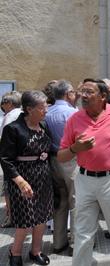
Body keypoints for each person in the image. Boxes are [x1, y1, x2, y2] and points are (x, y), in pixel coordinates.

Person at [57, 78, 110, 266]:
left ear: (103, 96)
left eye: (89, 92)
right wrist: (76, 148)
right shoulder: (74, 119)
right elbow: (61, 156)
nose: (83, 95)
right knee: (82, 231)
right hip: (84, 180)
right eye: (82, 91)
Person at [1, 91, 53, 266]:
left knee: (42, 217)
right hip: (22, 179)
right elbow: (5, 160)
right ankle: (14, 252)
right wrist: (20, 181)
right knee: (24, 219)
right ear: (29, 109)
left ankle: (35, 251)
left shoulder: (43, 125)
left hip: (43, 177)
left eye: (46, 105)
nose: (46, 110)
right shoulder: (13, 129)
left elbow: (50, 150)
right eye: (42, 107)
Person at [45, 80, 78, 255]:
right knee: (76, 201)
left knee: (60, 201)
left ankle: (58, 242)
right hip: (70, 159)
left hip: (52, 159)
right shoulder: (73, 113)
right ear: (67, 94)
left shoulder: (47, 112)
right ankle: (75, 243)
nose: (75, 95)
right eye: (73, 92)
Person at [0, 91, 22, 229]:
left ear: (9, 103)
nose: (2, 106)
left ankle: (11, 217)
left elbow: (3, 139)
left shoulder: (10, 116)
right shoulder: (22, 113)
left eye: (3, 103)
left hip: (10, 158)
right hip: (23, 158)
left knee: (9, 188)